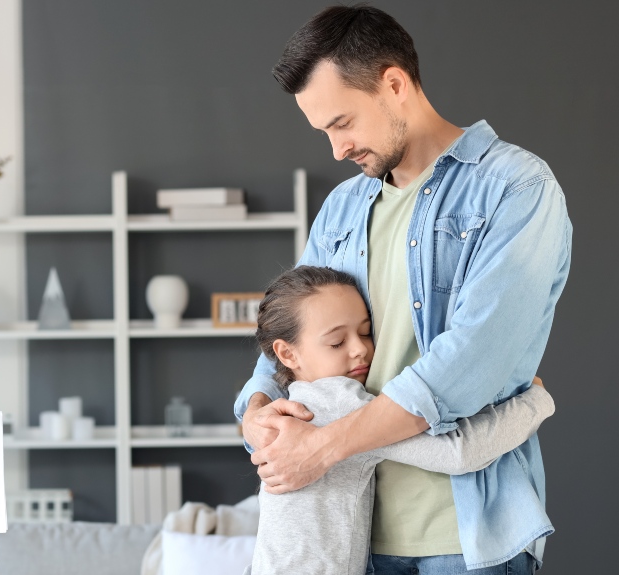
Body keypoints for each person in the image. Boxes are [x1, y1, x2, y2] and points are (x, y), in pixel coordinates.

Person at [233, 6, 572, 574]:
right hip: (354, 540)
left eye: (342, 123)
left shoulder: (515, 188)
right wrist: (258, 409)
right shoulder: (342, 207)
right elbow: (291, 330)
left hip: (466, 538)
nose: (337, 150)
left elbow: (469, 364)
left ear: (394, 84)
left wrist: (322, 446)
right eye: (324, 132)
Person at [245, 265, 554, 575]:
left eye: (366, 333)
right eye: (337, 342)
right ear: (287, 354)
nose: (360, 350)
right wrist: (535, 403)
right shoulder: (338, 400)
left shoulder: (283, 407)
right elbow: (458, 453)